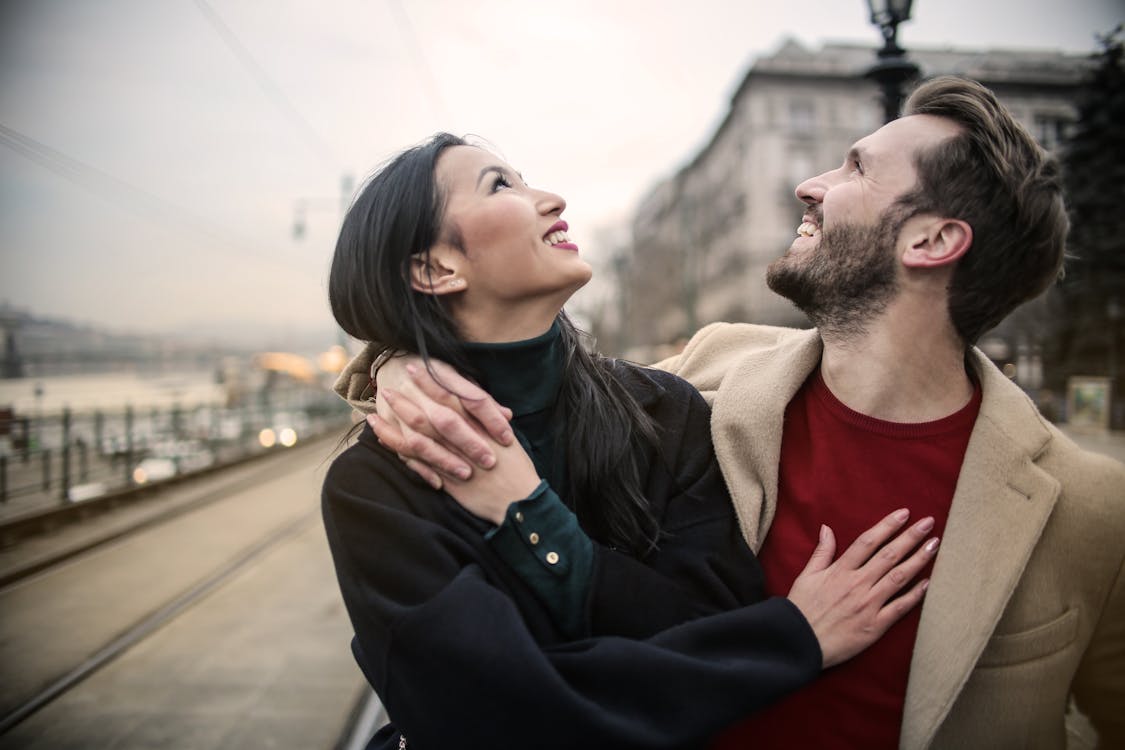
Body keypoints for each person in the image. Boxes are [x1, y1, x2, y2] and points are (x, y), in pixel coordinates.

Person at [370, 77, 1125, 749]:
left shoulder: (1090, 508)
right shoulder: (704, 369)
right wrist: (400, 363)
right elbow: (523, 380)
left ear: (930, 240)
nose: (809, 184)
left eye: (854, 168)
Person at [323, 134, 939, 749]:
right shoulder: (374, 487)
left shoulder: (665, 413)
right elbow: (500, 718)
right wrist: (784, 639)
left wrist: (532, 514)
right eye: (500, 185)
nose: (552, 199)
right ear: (434, 269)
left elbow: (710, 625)